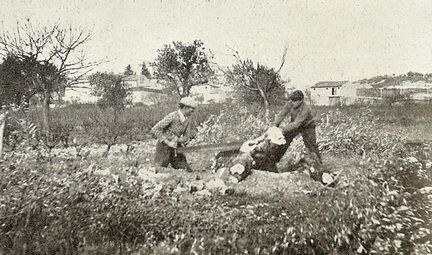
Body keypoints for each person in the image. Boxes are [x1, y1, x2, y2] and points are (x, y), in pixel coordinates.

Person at [271, 90, 321, 167]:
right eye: (292, 100)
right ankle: (274, 161)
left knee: (311, 146)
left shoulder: (305, 109)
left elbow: (296, 124)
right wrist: (275, 126)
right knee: (284, 140)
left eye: (295, 101)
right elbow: (282, 115)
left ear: (301, 101)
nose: (293, 102)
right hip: (295, 124)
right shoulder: (290, 104)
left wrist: (282, 130)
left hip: (307, 126)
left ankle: (318, 165)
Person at [150, 97, 197, 171]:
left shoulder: (187, 120)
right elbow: (155, 129)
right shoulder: (172, 116)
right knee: (159, 169)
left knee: (185, 169)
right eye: (191, 110)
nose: (192, 112)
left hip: (176, 146)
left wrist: (176, 140)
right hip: (164, 145)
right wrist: (167, 141)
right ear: (185, 107)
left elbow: (186, 137)